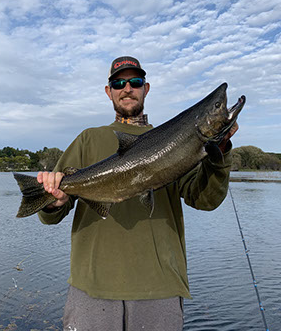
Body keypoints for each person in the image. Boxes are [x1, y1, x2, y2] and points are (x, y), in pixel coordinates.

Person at [37, 56, 238, 331]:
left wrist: (220, 156)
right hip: (92, 285)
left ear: (146, 88)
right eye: (118, 83)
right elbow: (50, 213)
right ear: (109, 92)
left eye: (135, 81)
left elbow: (206, 200)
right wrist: (53, 201)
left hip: (160, 285)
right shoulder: (88, 139)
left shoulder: (177, 139)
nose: (127, 88)